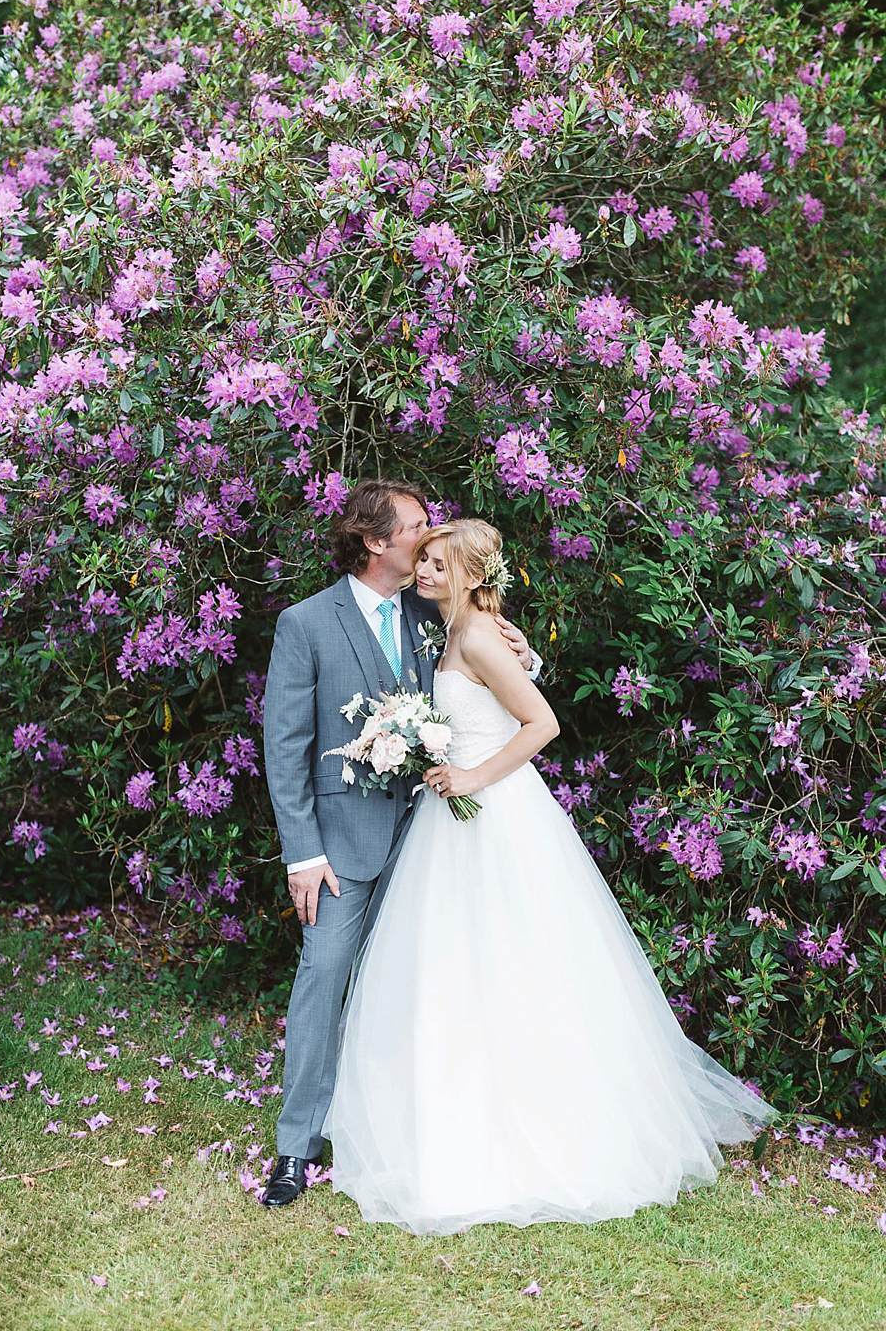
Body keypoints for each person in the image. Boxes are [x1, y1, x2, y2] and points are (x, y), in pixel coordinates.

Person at [323, 519, 778, 1235]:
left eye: (439, 564)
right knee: (455, 964)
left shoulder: (476, 636)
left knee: (515, 959)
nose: (425, 571)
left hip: (496, 813)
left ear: (473, 576)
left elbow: (541, 725)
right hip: (453, 821)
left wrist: (470, 770)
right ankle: (452, 1112)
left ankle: (542, 1129)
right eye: (426, 561)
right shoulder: (457, 630)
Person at [262, 483, 540, 1208]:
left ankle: (405, 1127)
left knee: (430, 984)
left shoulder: (437, 610)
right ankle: (296, 1148)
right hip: (339, 849)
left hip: (431, 839)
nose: (429, 536)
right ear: (376, 541)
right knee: (324, 978)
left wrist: (525, 654)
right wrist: (302, 852)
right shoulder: (306, 623)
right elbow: (285, 747)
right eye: (418, 527)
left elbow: (481, 681)